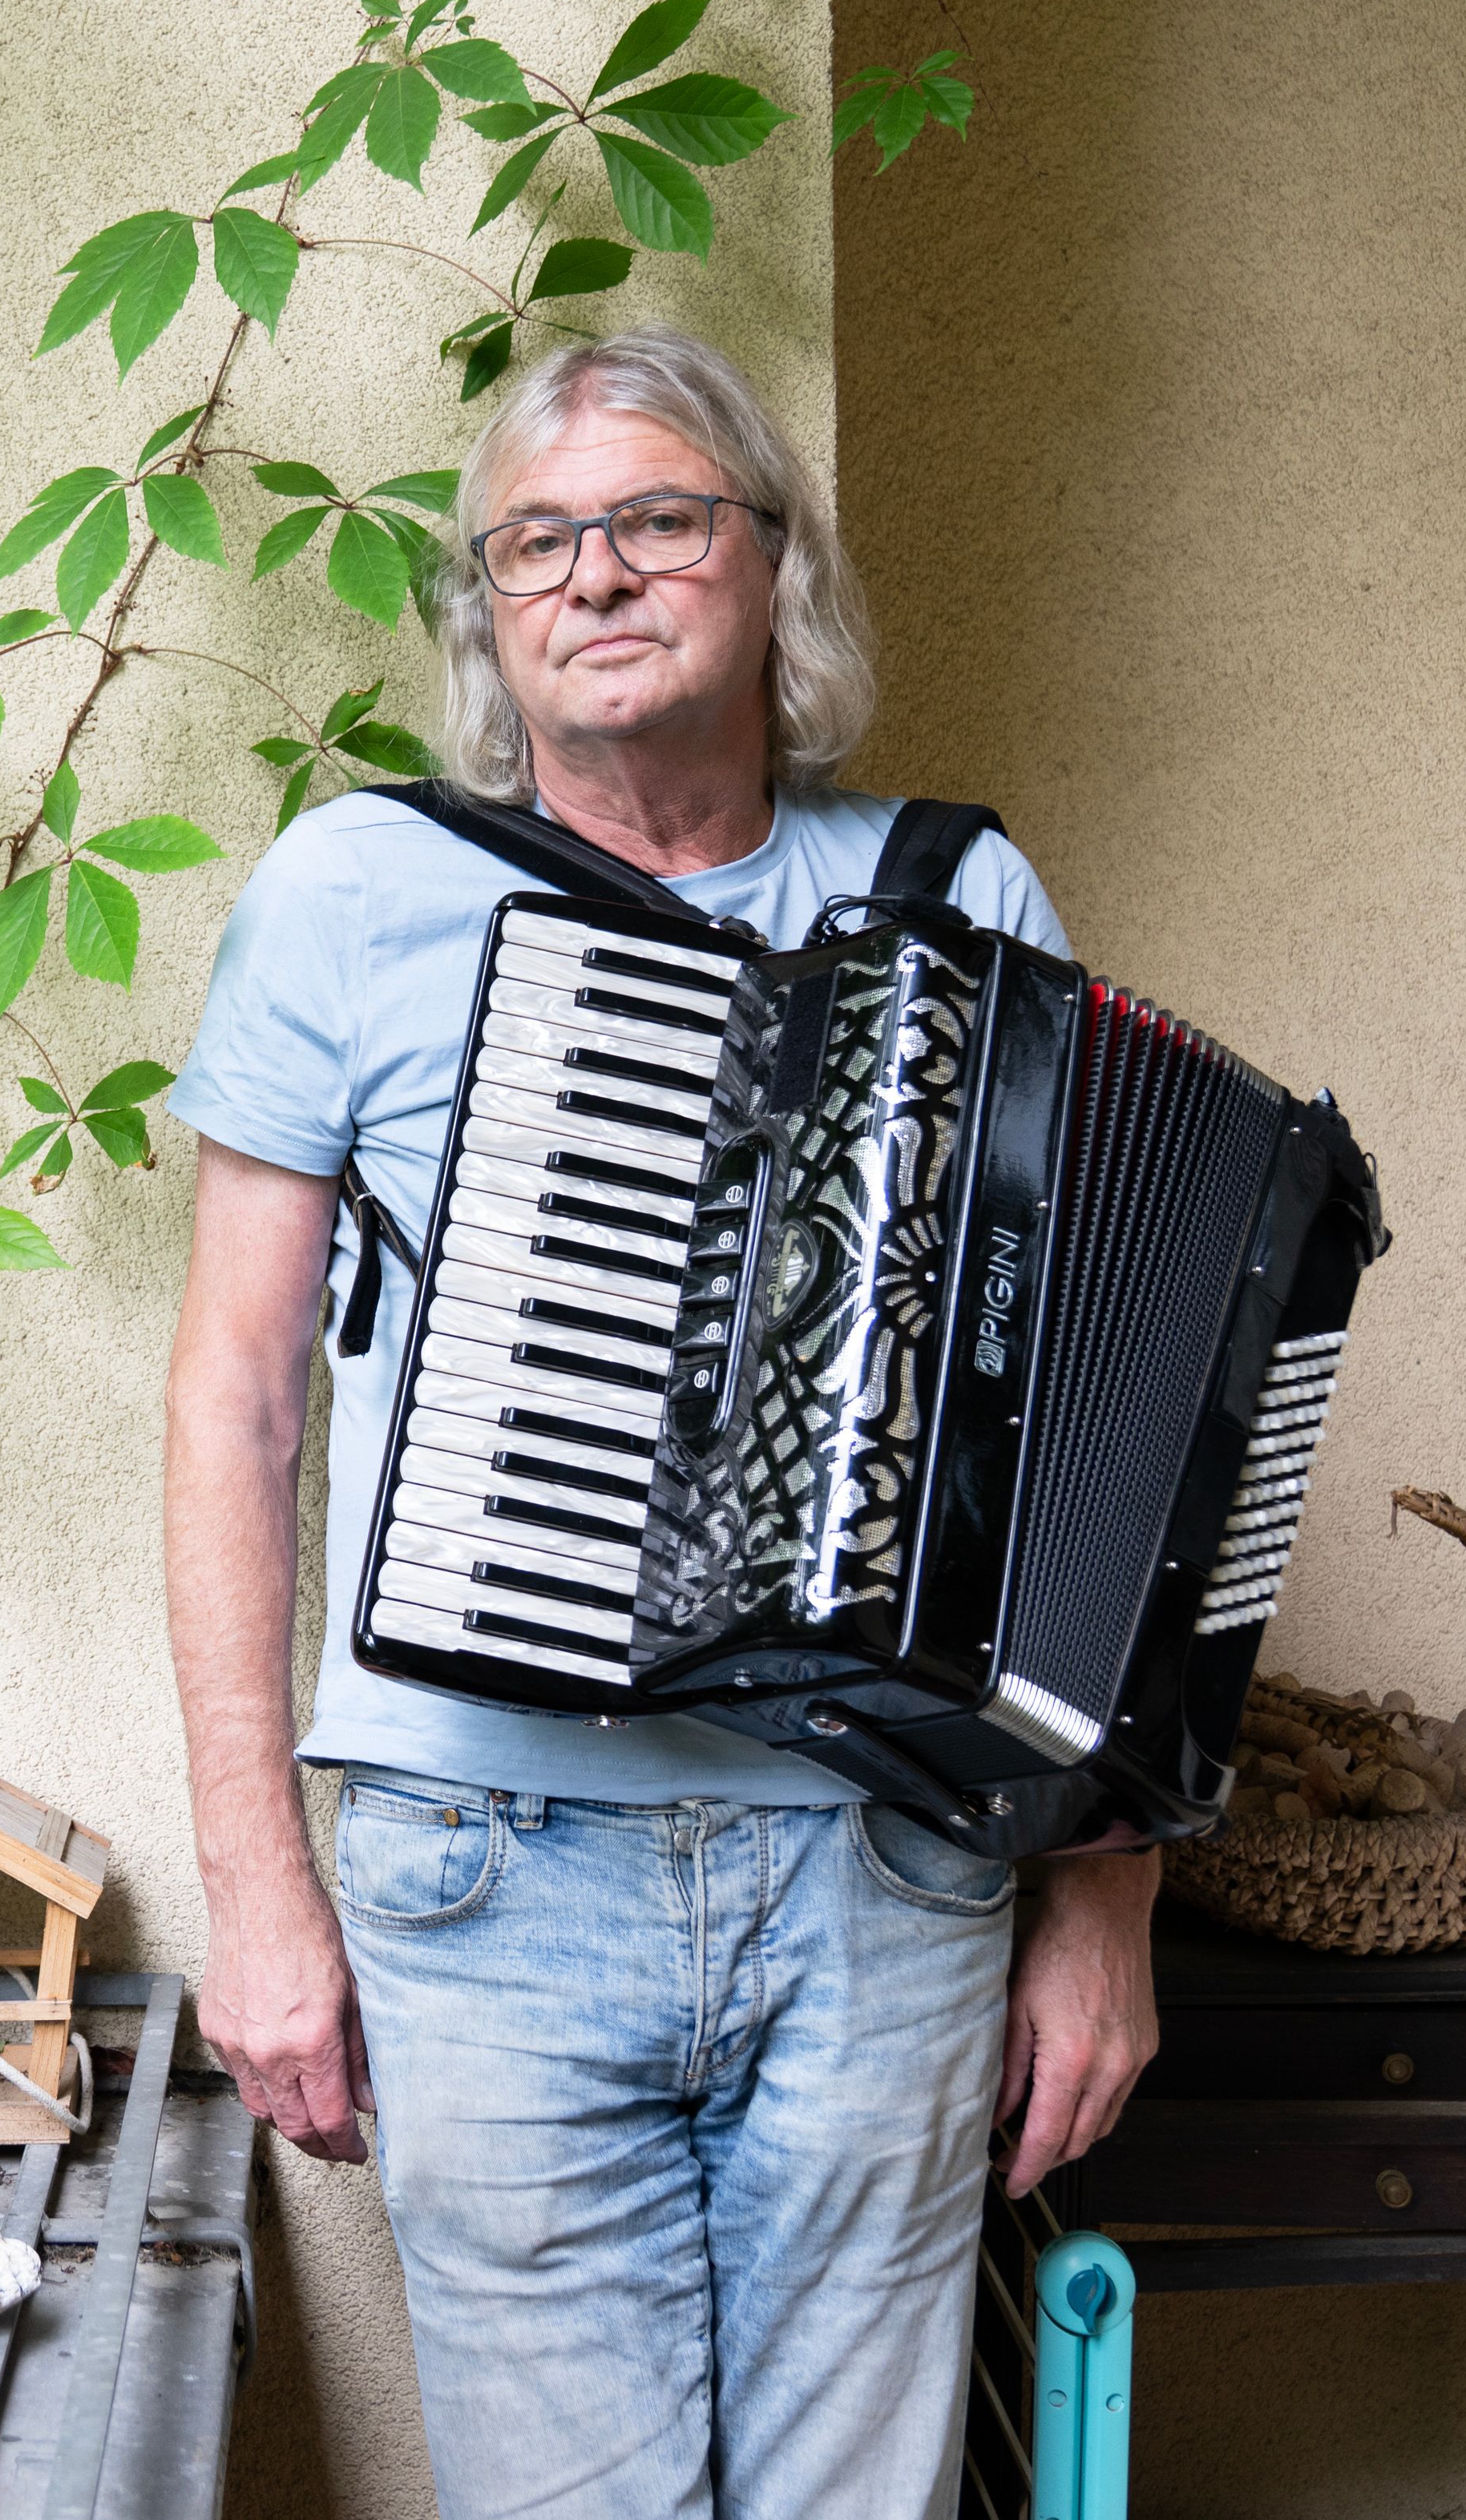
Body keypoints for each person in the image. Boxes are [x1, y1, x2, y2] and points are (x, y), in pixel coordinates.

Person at [161, 328, 1161, 2520]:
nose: (595, 574)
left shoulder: (952, 900)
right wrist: (254, 1888)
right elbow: (231, 1403)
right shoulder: (352, 897)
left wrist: (1103, 1906)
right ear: (490, 615)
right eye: (538, 542)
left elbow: (1088, 1429)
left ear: (768, 568)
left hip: (877, 1869)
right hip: (487, 1872)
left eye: (656, 519)